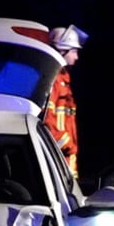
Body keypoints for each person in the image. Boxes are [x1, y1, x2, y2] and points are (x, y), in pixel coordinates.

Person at [43, 25, 88, 178]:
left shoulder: (63, 81)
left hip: (66, 160)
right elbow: (48, 121)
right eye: (74, 51)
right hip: (60, 158)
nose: (77, 57)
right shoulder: (53, 81)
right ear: (62, 51)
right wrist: (67, 144)